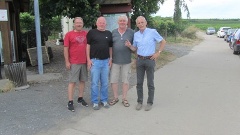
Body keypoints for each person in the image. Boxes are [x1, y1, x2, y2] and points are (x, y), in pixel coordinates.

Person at [125, 16, 166, 111]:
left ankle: (149, 102)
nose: (141, 24)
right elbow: (135, 48)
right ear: (137, 24)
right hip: (139, 60)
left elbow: (163, 42)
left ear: (146, 22)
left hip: (150, 60)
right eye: (138, 23)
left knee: (150, 83)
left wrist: (158, 53)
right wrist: (129, 46)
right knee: (139, 83)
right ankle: (139, 102)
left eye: (142, 22)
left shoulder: (152, 32)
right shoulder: (136, 35)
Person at [86, 16, 113, 110]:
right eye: (100, 22)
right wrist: (88, 60)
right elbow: (87, 47)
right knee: (94, 83)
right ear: (96, 23)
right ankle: (95, 102)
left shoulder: (109, 33)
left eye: (103, 22)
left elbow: (110, 47)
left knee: (105, 83)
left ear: (106, 24)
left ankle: (104, 100)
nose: (102, 24)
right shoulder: (91, 32)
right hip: (95, 62)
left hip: (106, 62)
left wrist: (111, 58)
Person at [64, 17, 89, 112]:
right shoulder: (69, 35)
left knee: (83, 80)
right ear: (74, 24)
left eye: (80, 23)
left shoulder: (86, 34)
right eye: (77, 23)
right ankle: (70, 101)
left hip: (84, 61)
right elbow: (66, 48)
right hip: (74, 62)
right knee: (72, 82)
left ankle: (80, 98)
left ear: (83, 24)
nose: (79, 24)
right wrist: (67, 61)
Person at [109, 15, 134, 107]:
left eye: (124, 21)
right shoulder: (113, 32)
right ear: (118, 22)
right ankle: (115, 97)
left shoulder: (131, 32)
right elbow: (110, 47)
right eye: (121, 21)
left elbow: (135, 48)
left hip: (126, 61)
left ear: (127, 22)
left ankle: (124, 98)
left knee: (125, 80)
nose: (122, 22)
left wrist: (130, 46)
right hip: (115, 61)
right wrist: (111, 58)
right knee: (114, 80)